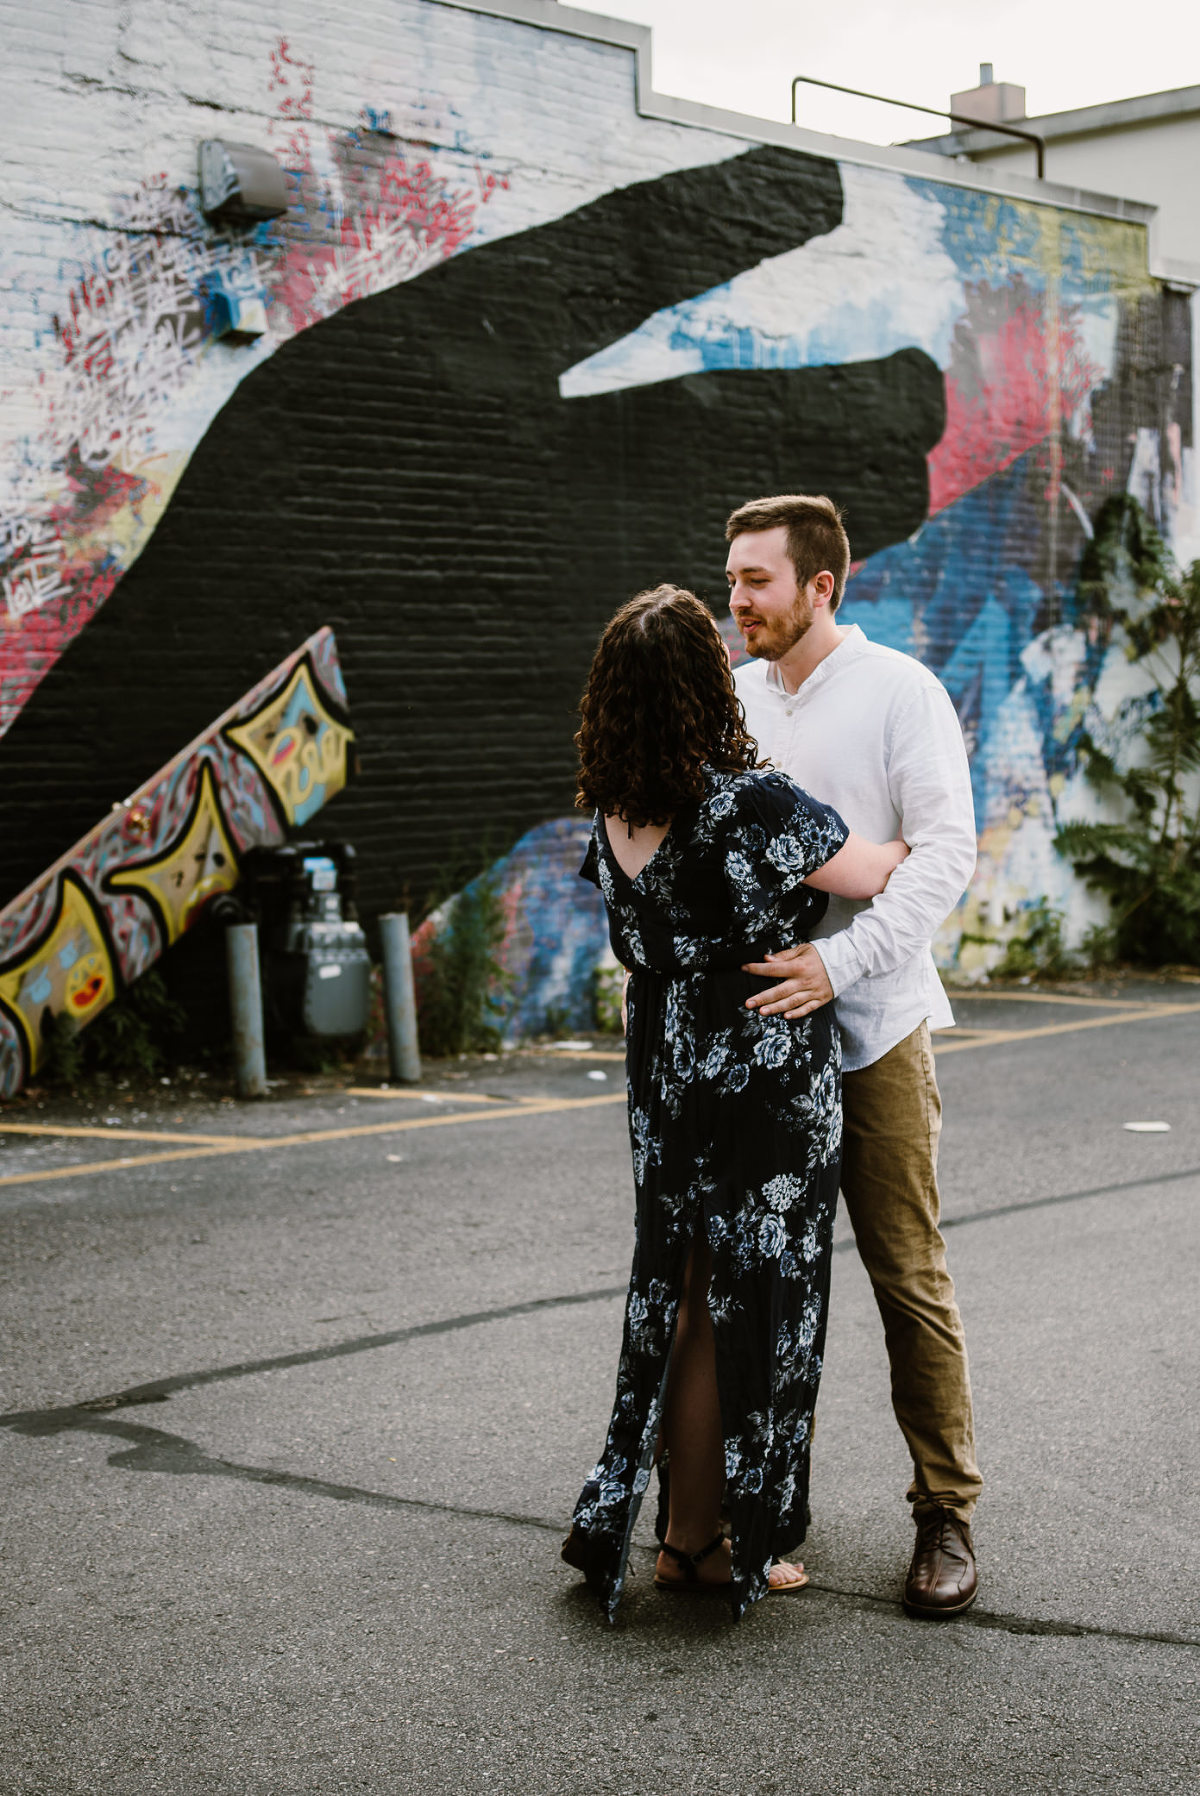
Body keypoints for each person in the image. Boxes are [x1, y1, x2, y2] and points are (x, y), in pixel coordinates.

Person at [560, 586, 908, 1621]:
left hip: (665, 1065)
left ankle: (676, 1525)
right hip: (757, 1069)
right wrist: (900, 841)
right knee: (748, 1301)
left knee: (678, 1285)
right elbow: (870, 867)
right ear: (706, 688)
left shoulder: (615, 810)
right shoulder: (746, 800)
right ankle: (709, 1539)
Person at [725, 493, 982, 1617]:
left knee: (905, 1273)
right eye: (731, 578)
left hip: (875, 1031)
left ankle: (946, 1510)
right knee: (768, 1283)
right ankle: (772, 1508)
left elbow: (943, 852)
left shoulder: (899, 691)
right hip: (756, 1043)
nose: (735, 599)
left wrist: (844, 965)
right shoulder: (730, 699)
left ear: (823, 584)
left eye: (757, 581)